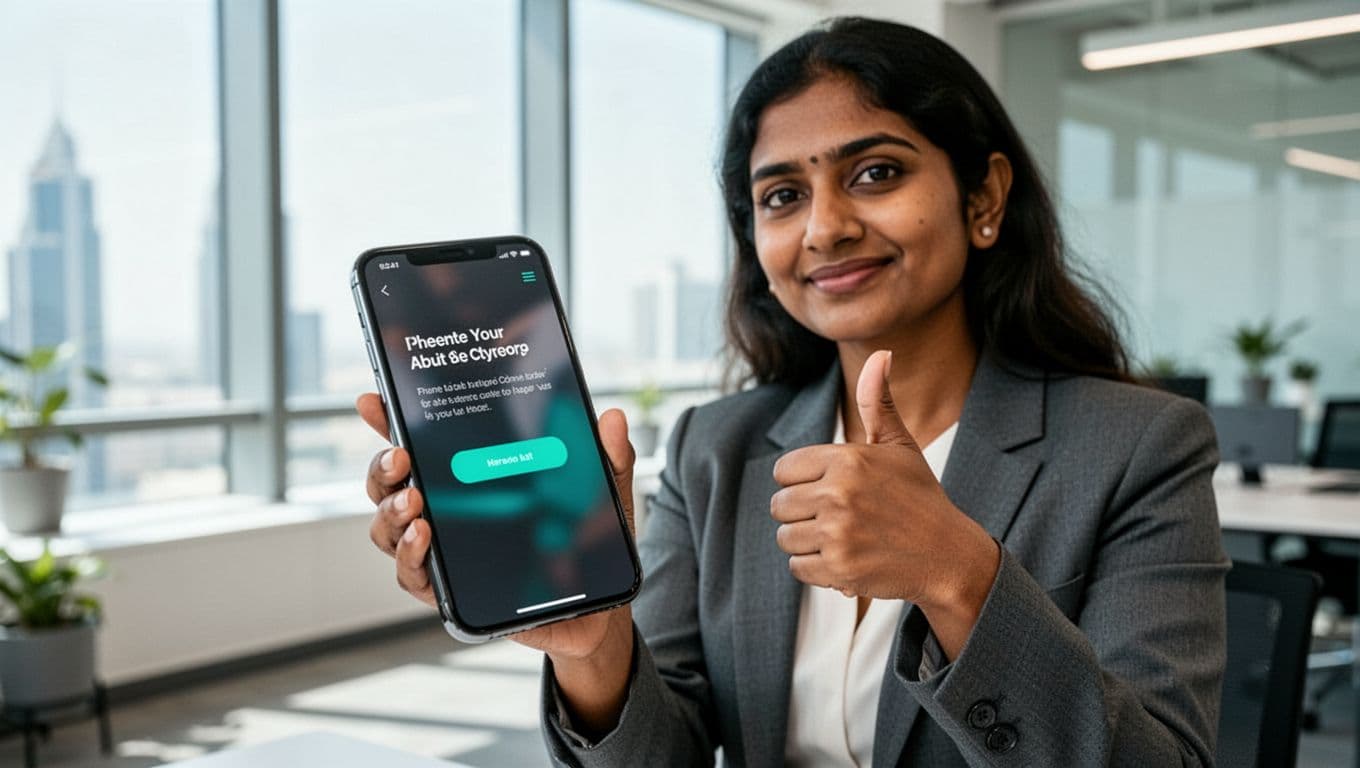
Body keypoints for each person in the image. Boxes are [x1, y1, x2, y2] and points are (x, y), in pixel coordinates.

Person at [359, 17, 1227, 768]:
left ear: (984, 196)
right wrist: (594, 646)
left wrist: (959, 575)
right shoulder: (716, 450)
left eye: (877, 173)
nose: (825, 227)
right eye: (782, 195)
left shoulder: (1141, 446)